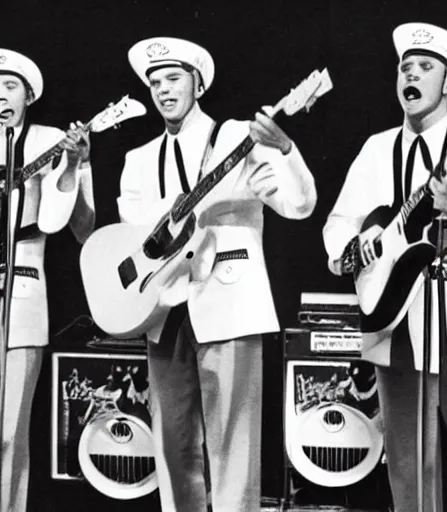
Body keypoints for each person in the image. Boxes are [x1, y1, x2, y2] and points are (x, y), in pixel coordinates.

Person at [117, 37, 317, 511]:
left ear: (198, 83)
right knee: (172, 444)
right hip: (163, 309)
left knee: (233, 447)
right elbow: (134, 240)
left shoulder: (236, 138)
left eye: (173, 79)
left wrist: (285, 148)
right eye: (155, 83)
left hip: (228, 302)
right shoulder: (137, 159)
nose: (164, 91)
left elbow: (298, 204)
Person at [323, 22, 447, 512]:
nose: (412, 74)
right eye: (406, 67)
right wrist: (353, 248)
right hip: (395, 327)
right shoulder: (375, 148)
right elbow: (338, 224)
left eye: (426, 68)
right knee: (407, 477)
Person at [0, 49, 95, 512]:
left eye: (10, 86)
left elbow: (63, 223)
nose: (0, 96)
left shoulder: (50, 141)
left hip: (22, 291)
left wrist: (71, 165)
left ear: (29, 96)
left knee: (8, 432)